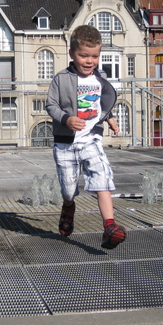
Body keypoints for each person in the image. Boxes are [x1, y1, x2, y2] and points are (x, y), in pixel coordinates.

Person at [46, 25, 126, 249]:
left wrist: (108, 117)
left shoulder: (100, 78)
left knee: (102, 177)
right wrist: (66, 118)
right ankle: (68, 206)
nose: (89, 61)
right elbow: (50, 104)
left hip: (91, 138)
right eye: (83, 55)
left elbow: (101, 103)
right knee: (68, 189)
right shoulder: (61, 79)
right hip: (65, 142)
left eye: (95, 56)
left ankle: (109, 225)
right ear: (72, 54)